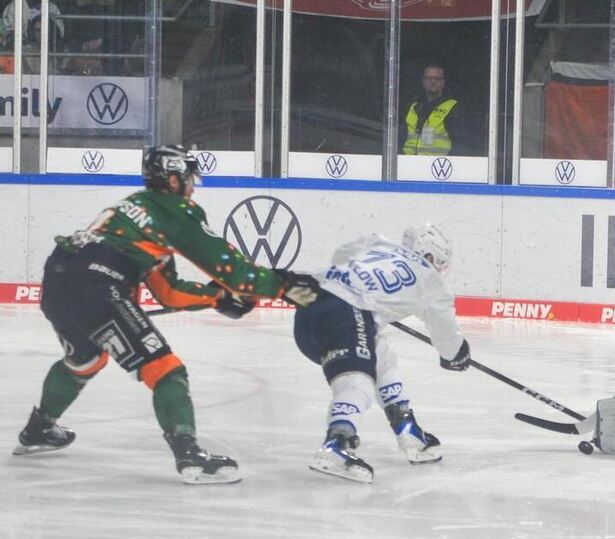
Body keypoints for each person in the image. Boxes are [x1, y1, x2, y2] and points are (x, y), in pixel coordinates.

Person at [12, 145, 318, 484]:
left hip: (59, 280)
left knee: (85, 359)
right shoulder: (176, 210)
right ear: (173, 180)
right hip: (97, 283)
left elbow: (166, 291)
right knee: (166, 369)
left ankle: (39, 429)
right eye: (189, 179)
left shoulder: (135, 207)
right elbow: (234, 271)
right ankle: (190, 457)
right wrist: (284, 285)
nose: (193, 186)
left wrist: (215, 297)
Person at [293, 223, 471, 483]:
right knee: (358, 382)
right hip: (345, 314)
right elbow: (449, 344)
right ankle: (337, 444)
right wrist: (457, 355)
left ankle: (407, 429)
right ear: (430, 256)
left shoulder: (379, 243)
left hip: (308, 304)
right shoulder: (431, 281)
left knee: (380, 351)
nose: (440, 270)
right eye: (440, 263)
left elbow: (341, 256)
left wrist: (367, 293)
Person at [401, 64, 467, 156]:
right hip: (409, 163)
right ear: (423, 82)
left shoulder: (453, 108)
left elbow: (460, 144)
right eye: (429, 78)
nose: (432, 81)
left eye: (437, 78)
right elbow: (401, 137)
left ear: (443, 82)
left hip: (437, 166)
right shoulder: (414, 106)